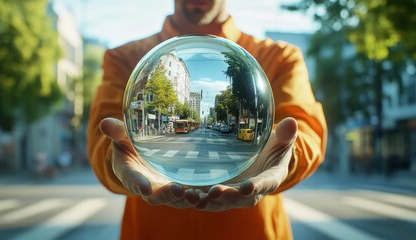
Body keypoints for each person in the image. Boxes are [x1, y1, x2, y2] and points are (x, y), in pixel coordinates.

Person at [87, 0, 327, 239]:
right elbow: (102, 139)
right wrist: (115, 157)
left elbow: (306, 131)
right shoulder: (125, 58)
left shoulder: (279, 57)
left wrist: (285, 155)